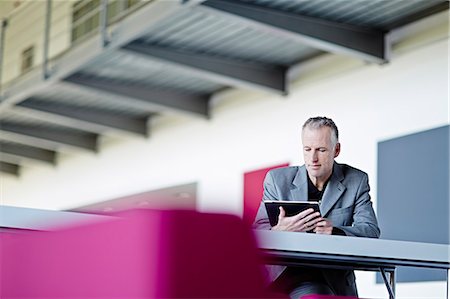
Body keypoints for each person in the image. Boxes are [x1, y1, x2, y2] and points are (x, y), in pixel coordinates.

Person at [253, 116, 380, 298]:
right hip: (279, 276)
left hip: (327, 279)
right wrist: (278, 230)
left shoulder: (356, 181)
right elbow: (256, 232)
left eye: (321, 150)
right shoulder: (277, 180)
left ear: (336, 150)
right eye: (307, 149)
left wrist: (335, 231)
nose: (312, 158)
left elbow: (370, 231)